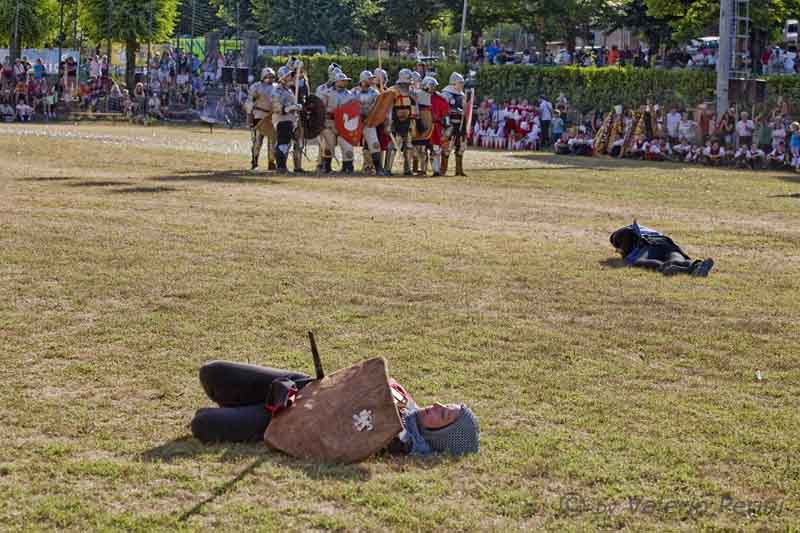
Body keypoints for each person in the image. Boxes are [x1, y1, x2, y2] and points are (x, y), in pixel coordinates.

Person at [190, 360, 480, 457]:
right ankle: (245, 404)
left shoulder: (399, 441)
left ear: (440, 436)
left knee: (203, 424)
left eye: (444, 415)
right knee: (212, 372)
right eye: (445, 405)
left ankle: (246, 413)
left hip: (294, 421)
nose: (438, 405)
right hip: (298, 386)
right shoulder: (406, 399)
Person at [610, 222, 714, 277]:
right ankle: (695, 266)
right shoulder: (646, 229)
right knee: (675, 259)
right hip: (668, 244)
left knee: (639, 262)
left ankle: (664, 268)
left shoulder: (620, 233)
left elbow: (627, 235)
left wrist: (624, 254)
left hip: (650, 244)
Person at [320, 70, 356, 174]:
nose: (344, 82)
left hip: (345, 123)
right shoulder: (326, 93)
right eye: (342, 80)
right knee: (328, 145)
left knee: (347, 146)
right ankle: (326, 167)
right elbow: (321, 108)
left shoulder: (350, 95)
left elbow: (353, 110)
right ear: (336, 81)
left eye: (345, 81)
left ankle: (348, 166)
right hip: (329, 122)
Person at [271, 66, 304, 173]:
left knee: (288, 143)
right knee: (283, 143)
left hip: (291, 119)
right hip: (282, 119)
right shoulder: (277, 90)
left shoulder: (289, 90)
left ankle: (287, 166)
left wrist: (297, 107)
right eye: (288, 75)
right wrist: (291, 107)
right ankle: (281, 167)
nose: (291, 77)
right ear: (283, 77)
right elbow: (276, 106)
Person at [247, 67, 277, 171]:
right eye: (268, 76)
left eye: (271, 77)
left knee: (273, 141)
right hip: (259, 115)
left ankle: (271, 162)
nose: (270, 78)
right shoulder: (256, 87)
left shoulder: (276, 87)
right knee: (258, 141)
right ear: (263, 76)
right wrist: (249, 116)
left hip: (272, 116)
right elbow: (249, 102)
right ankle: (255, 161)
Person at [356, 70, 384, 175]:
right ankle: (347, 167)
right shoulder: (354, 92)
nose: (372, 80)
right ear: (363, 80)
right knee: (346, 144)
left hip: (369, 121)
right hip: (355, 122)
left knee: (374, 144)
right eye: (370, 78)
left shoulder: (375, 93)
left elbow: (378, 107)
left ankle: (378, 168)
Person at [441, 72, 469, 176]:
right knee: (447, 148)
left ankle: (459, 170)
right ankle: (443, 169)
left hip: (460, 124)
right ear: (453, 83)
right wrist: (455, 110)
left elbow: (465, 110)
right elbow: (443, 110)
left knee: (461, 147)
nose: (462, 85)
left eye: (462, 83)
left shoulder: (462, 95)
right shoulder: (445, 94)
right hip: (449, 124)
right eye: (460, 83)